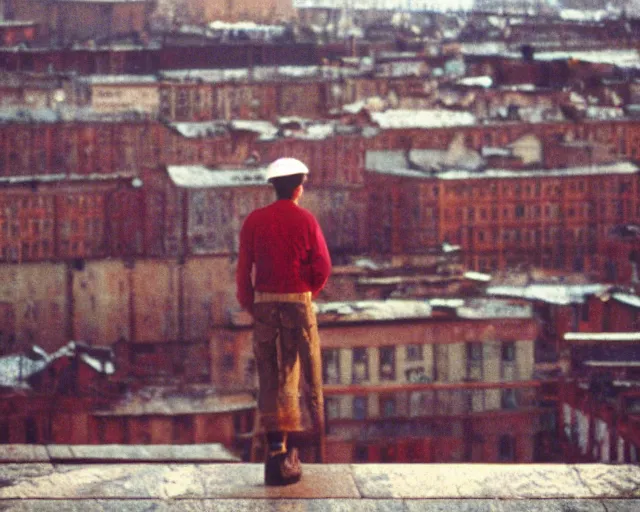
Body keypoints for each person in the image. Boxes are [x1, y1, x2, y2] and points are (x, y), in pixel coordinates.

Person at [236, 157, 332, 486]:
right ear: (298, 188)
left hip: (264, 305)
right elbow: (322, 266)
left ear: (273, 188)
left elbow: (243, 269)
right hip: (297, 305)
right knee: (298, 374)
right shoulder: (306, 220)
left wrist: (251, 303)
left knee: (269, 376)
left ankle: (275, 450)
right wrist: (307, 292)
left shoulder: (254, 220)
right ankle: (299, 452)